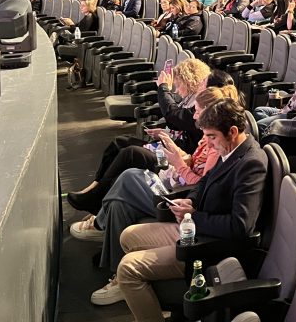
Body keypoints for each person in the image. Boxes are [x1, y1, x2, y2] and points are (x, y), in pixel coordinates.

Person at [104, 101, 268, 318]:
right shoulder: (230, 149)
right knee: (128, 236)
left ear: (233, 131)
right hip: (195, 230)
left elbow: (240, 226)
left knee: (127, 269)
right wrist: (190, 201)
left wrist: (194, 216)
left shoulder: (251, 163)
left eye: (211, 137)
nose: (208, 144)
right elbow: (204, 183)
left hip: (209, 248)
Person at [70, 86, 237, 270]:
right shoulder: (209, 139)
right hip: (178, 184)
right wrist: (173, 148)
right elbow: (194, 164)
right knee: (119, 204)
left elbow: (201, 185)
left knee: (129, 175)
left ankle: (99, 222)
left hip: (180, 194)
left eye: (196, 111)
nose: (194, 116)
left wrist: (178, 165)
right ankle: (112, 263)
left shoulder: (217, 147)